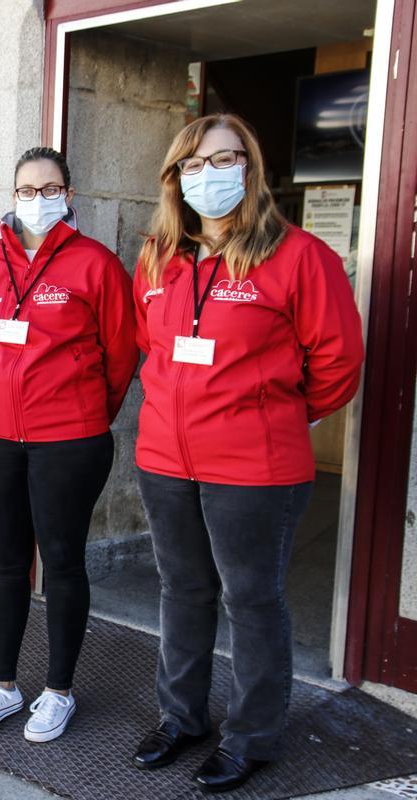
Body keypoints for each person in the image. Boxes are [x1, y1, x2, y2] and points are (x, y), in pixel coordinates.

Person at [130, 114, 363, 792]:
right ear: (175, 179)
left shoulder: (300, 257)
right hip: (166, 460)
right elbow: (155, 347)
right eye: (195, 166)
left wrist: (269, 415)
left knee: (252, 601)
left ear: (251, 169)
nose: (212, 175)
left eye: (226, 159)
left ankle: (254, 736)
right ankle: (182, 718)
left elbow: (338, 364)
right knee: (182, 592)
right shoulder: (158, 257)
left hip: (255, 468)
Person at [0, 147, 138, 740]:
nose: (38, 199)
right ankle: (2, 685)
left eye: (50, 187)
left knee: (61, 562)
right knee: (6, 563)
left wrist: (80, 409)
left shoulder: (96, 265)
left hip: (70, 441)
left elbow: (120, 356)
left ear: (69, 195)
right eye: (27, 190)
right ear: (12, 197)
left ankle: (59, 690)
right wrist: (4, 390)